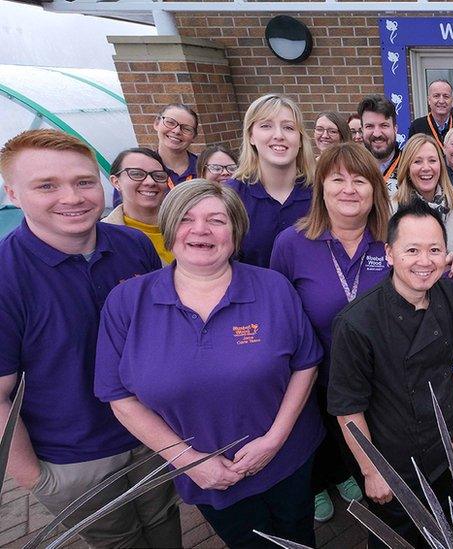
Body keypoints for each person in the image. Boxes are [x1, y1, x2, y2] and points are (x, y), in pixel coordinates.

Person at [95, 180, 323, 548]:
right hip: (205, 475)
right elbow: (118, 396)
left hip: (286, 459)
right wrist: (189, 461)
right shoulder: (127, 302)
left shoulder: (273, 287)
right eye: (186, 219)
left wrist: (274, 440)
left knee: (298, 534)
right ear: (169, 230)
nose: (200, 230)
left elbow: (306, 364)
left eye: (216, 220)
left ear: (235, 231)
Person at [0, 129, 180, 547]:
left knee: (166, 525)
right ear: (12, 192)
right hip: (74, 458)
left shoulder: (133, 245)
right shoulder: (7, 276)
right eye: (47, 185)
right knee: (119, 542)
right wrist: (36, 479)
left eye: (83, 181)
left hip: (152, 434)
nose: (73, 197)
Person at [328, 199, 453, 547]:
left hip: (446, 454)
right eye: (412, 250)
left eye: (434, 250)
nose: (424, 262)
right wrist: (371, 470)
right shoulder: (356, 323)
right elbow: (348, 408)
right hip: (393, 465)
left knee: (448, 534)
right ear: (390, 254)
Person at [270, 142, 390, 524]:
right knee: (327, 447)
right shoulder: (291, 244)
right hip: (318, 381)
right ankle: (324, 481)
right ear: (320, 187)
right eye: (337, 179)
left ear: (375, 188)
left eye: (359, 179)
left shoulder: (392, 239)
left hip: (383, 382)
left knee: (381, 467)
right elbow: (281, 319)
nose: (348, 189)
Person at [225, 93, 316, 268]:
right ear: (250, 136)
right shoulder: (230, 196)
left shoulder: (321, 191)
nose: (279, 135)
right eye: (266, 126)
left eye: (289, 127)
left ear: (300, 139)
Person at [394, 134, 453, 255]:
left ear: (441, 166)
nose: (426, 168)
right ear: (407, 168)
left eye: (432, 160)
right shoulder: (391, 208)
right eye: (417, 161)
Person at [103, 147, 175, 264]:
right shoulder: (102, 237)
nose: (150, 182)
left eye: (158, 175)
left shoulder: (186, 224)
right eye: (136, 174)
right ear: (116, 181)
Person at [359, 95, 402, 185]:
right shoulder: (353, 168)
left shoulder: (410, 167)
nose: (377, 134)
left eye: (384, 125)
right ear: (362, 130)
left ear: (395, 129)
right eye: (369, 126)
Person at [154, 102, 199, 185]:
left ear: (194, 137)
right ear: (156, 123)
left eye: (186, 129)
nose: (177, 131)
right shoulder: (144, 170)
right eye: (170, 123)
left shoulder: (203, 169)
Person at [407, 79, 453, 146]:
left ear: (452, 101)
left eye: (446, 96)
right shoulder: (417, 126)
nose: (441, 101)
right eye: (436, 96)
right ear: (429, 100)